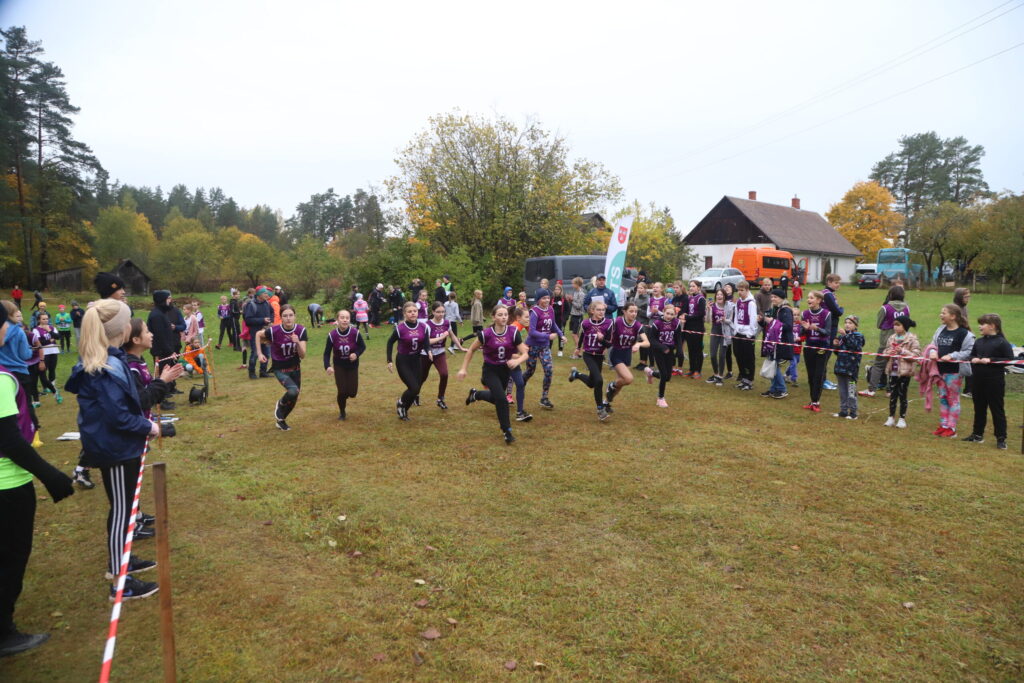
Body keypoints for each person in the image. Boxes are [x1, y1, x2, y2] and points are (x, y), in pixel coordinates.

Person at [63, 299, 161, 602]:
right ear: (121, 329)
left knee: (127, 509)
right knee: (122, 511)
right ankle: (121, 581)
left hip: (122, 447)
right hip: (115, 449)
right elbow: (118, 416)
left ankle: (123, 560)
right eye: (128, 320)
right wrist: (149, 427)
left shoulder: (113, 359)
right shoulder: (104, 368)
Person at [0, 301, 75, 657]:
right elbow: (8, 440)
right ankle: (4, 632)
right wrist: (50, 475)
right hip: (8, 485)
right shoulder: (2, 379)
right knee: (11, 557)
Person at [458, 304, 528, 444]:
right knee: (502, 400)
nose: (503, 317)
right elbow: (471, 350)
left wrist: (517, 360)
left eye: (505, 315)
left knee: (497, 398)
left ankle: (476, 394)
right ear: (493, 317)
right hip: (490, 371)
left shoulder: (513, 332)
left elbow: (525, 353)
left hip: (505, 370)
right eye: (500, 315)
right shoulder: (486, 334)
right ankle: (507, 431)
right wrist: (463, 368)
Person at [256, 304, 308, 431]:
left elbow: (302, 355)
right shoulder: (274, 331)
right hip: (280, 368)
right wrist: (260, 354)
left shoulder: (301, 330)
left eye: (291, 315)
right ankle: (280, 404)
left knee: (294, 397)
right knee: (293, 391)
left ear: (295, 316)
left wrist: (297, 342)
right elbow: (258, 334)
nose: (288, 318)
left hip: (295, 367)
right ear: (281, 317)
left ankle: (281, 421)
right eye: (285, 316)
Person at [964, 314, 1012, 450]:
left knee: (996, 409)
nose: (980, 326)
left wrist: (991, 360)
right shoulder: (979, 341)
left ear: (992, 326)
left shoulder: (1002, 342)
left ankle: (1001, 438)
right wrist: (973, 359)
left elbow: (1009, 359)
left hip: (994, 382)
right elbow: (971, 355)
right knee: (979, 408)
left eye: (982, 324)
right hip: (978, 380)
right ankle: (977, 434)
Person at [927, 304, 974, 438]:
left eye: (944, 313)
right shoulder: (940, 329)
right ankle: (943, 425)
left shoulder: (965, 334)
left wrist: (952, 356)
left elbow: (969, 352)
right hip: (940, 370)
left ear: (953, 316)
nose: (941, 315)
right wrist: (932, 351)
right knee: (943, 397)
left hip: (954, 372)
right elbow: (933, 344)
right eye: (941, 313)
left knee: (952, 399)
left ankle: (951, 428)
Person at [569, 301, 614, 420]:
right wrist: (578, 348)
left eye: (603, 310)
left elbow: (609, 344)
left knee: (591, 383)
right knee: (599, 380)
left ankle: (576, 374)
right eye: (598, 310)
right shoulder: (585, 323)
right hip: (588, 355)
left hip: (599, 356)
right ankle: (600, 409)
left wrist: (602, 340)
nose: (601, 312)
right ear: (592, 311)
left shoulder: (608, 323)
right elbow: (582, 336)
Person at [863, 285, 911, 396]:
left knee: (879, 365)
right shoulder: (907, 308)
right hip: (901, 342)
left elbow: (878, 324)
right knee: (895, 365)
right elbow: (907, 324)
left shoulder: (885, 308)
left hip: (886, 341)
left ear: (890, 295)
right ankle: (891, 390)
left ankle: (871, 390)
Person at [523, 288, 566, 411]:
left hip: (544, 346)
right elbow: (531, 332)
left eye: (548, 298)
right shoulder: (534, 312)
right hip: (532, 346)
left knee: (549, 370)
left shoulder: (551, 309)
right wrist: (547, 336)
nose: (547, 300)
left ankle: (544, 398)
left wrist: (561, 334)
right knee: (530, 371)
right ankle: (520, 385)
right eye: (544, 298)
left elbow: (553, 324)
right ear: (538, 300)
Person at [386, 302, 430, 421]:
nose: (413, 313)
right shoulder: (400, 328)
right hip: (403, 361)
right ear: (405, 314)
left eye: (414, 311)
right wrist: (389, 360)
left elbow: (426, 343)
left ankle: (404, 409)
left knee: (416, 389)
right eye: (409, 311)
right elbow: (390, 342)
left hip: (417, 360)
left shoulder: (423, 327)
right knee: (413, 388)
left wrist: (429, 351)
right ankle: (401, 402)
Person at [604, 302, 649, 412]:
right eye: (631, 311)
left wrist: (638, 344)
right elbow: (604, 333)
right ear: (624, 311)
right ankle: (611, 385)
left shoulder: (637, 325)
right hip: (616, 353)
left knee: (620, 383)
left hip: (627, 354)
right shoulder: (617, 321)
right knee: (628, 379)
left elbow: (647, 342)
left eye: (636, 311)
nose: (634, 314)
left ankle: (606, 403)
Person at [324, 310, 366, 420]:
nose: (345, 320)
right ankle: (342, 412)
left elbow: (362, 346)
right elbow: (326, 353)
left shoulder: (355, 332)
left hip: (352, 365)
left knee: (352, 393)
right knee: (342, 391)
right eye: (342, 317)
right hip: (339, 365)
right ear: (337, 320)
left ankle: (345, 395)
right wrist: (327, 366)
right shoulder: (332, 335)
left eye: (347, 318)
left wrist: (356, 354)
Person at [422, 303, 462, 410]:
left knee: (444, 374)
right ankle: (415, 395)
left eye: (443, 312)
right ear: (433, 312)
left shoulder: (446, 323)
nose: (441, 314)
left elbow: (452, 336)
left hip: (439, 353)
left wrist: (460, 347)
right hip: (426, 354)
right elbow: (426, 342)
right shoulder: (427, 325)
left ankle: (440, 399)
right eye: (438, 312)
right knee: (422, 377)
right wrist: (441, 338)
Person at [883, 315, 920, 429]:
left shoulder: (912, 339)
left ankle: (902, 419)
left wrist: (903, 351)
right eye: (894, 324)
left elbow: (916, 355)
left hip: (905, 372)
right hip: (893, 371)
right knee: (893, 394)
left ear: (905, 326)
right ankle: (891, 417)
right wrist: (889, 352)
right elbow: (885, 352)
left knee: (902, 395)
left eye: (898, 325)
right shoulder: (891, 338)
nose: (895, 327)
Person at [645, 303, 682, 407]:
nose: (669, 316)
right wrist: (662, 347)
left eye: (672, 314)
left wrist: (679, 350)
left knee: (668, 377)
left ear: (675, 315)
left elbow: (678, 338)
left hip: (669, 351)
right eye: (667, 313)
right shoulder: (657, 323)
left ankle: (651, 373)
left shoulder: (676, 323)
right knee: (664, 374)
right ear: (663, 312)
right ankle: (660, 398)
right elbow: (652, 339)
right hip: (659, 351)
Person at [800, 291, 832, 412]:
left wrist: (817, 328)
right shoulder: (804, 313)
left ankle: (816, 402)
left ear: (818, 300)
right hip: (809, 347)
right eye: (808, 298)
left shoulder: (826, 314)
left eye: (811, 298)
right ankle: (812, 400)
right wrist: (805, 329)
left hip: (822, 348)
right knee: (811, 375)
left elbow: (827, 332)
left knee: (818, 375)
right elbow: (801, 333)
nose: (808, 300)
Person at [761, 289, 793, 399]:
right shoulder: (776, 308)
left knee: (774, 365)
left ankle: (782, 389)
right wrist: (762, 320)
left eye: (775, 297)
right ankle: (773, 389)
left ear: (782, 298)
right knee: (773, 363)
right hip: (774, 341)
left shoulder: (785, 310)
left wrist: (772, 322)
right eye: (772, 297)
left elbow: (788, 326)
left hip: (782, 342)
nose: (773, 299)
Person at [832, 315, 865, 419]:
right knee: (842, 391)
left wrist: (845, 335)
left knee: (851, 391)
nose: (847, 325)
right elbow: (837, 353)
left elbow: (854, 346)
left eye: (850, 323)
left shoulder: (858, 336)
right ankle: (843, 410)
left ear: (856, 325)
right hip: (840, 368)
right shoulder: (841, 337)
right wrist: (835, 346)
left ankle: (853, 412)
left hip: (851, 369)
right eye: (846, 322)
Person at [731, 281, 759, 391]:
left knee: (748, 358)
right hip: (738, 333)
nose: (740, 292)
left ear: (747, 290)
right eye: (738, 290)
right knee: (739, 356)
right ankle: (743, 378)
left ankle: (749, 380)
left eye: (742, 290)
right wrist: (735, 329)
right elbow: (736, 317)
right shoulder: (738, 302)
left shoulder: (751, 303)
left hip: (747, 335)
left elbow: (753, 319)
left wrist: (749, 334)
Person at [243, 287, 274, 380]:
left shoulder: (267, 303)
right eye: (265, 293)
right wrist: (262, 320)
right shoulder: (251, 304)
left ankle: (263, 372)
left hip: (266, 332)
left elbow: (272, 312)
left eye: (267, 293)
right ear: (259, 294)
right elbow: (248, 320)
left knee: (267, 353)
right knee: (255, 353)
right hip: (255, 332)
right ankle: (252, 373)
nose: (267, 295)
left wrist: (271, 320)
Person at [31, 312, 61, 405]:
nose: (45, 320)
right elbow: (40, 342)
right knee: (43, 372)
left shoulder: (51, 328)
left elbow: (58, 337)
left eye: (47, 319)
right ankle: (46, 388)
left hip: (53, 351)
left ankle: (53, 387)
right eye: (43, 319)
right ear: (39, 320)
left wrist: (49, 331)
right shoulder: (36, 330)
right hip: (43, 353)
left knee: (52, 369)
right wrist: (50, 340)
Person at [507, 307, 531, 422]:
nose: (529, 319)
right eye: (526, 317)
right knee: (496, 394)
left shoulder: (521, 327)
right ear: (518, 318)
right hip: (504, 362)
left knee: (520, 384)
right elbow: (506, 349)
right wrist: (516, 356)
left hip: (513, 362)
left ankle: (520, 413)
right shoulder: (514, 328)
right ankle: (476, 394)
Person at [821, 273, 844, 391]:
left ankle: (824, 379)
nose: (838, 285)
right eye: (836, 282)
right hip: (828, 327)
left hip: (832, 325)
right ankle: (822, 380)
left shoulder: (829, 293)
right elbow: (837, 311)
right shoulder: (828, 294)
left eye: (839, 283)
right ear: (829, 282)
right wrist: (841, 308)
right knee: (826, 353)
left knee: (827, 353)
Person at [681, 280, 706, 379]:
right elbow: (685, 310)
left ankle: (697, 371)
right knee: (690, 349)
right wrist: (683, 314)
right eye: (690, 286)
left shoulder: (701, 299)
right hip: (689, 327)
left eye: (693, 286)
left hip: (697, 327)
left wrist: (687, 317)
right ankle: (691, 369)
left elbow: (701, 314)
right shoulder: (690, 298)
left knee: (697, 350)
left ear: (698, 288)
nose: (691, 288)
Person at [705, 289, 729, 386]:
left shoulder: (728, 306)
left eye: (721, 294)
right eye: (718, 295)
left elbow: (731, 320)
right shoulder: (713, 306)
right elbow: (707, 321)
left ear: (724, 296)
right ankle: (715, 374)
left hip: (725, 332)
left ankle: (720, 376)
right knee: (713, 355)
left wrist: (725, 320)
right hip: (715, 330)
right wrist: (708, 310)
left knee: (722, 355)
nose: (719, 296)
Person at [953, 287, 972, 397]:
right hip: (957, 338)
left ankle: (968, 389)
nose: (968, 299)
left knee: (968, 361)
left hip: (964, 337)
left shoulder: (964, 308)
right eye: (966, 297)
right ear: (959, 297)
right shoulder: (955, 309)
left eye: (969, 296)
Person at [567, 277, 586, 358]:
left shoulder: (581, 294)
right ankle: (579, 352)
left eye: (573, 283)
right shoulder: (575, 292)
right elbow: (574, 303)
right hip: (573, 315)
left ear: (577, 284)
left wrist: (571, 300)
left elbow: (579, 306)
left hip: (578, 316)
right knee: (575, 334)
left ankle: (578, 353)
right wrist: (570, 299)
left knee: (574, 334)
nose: (572, 285)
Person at [550, 283, 566, 357]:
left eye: (558, 289)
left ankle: (560, 350)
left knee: (561, 336)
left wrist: (565, 318)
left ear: (561, 290)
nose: (557, 291)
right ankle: (549, 349)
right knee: (550, 334)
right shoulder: (552, 299)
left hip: (560, 321)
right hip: (552, 320)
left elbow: (567, 310)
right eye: (555, 289)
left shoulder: (563, 299)